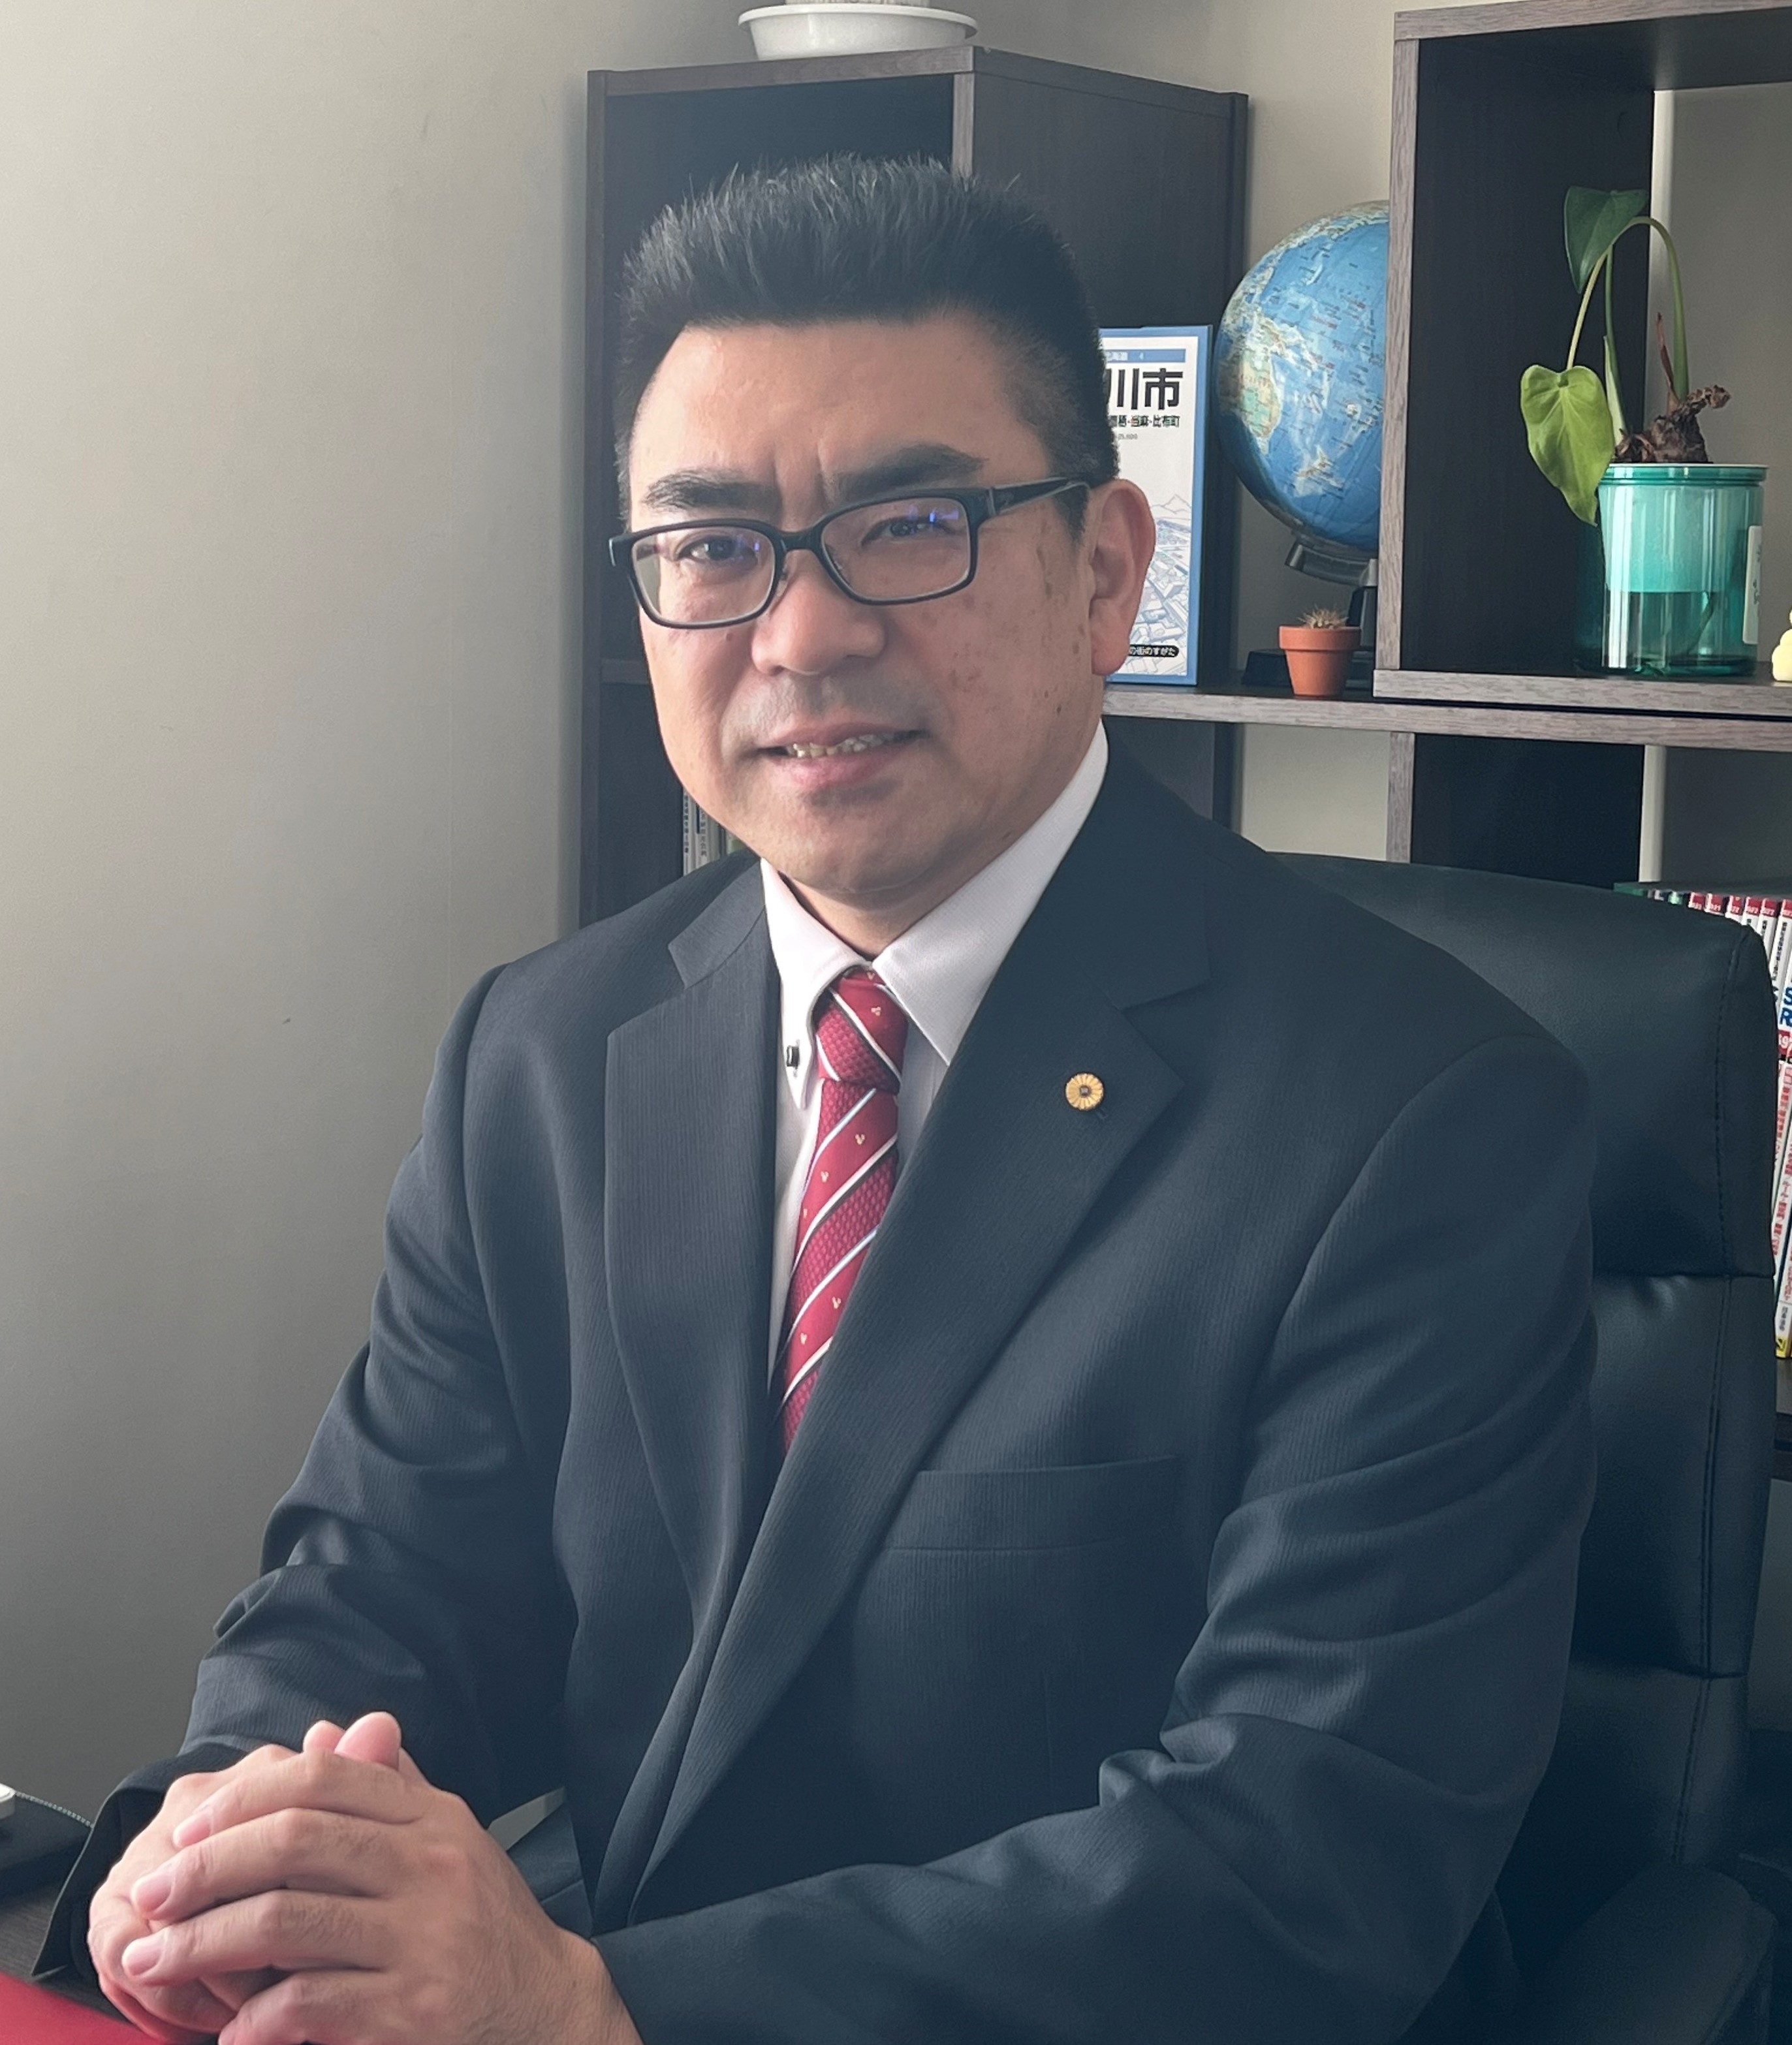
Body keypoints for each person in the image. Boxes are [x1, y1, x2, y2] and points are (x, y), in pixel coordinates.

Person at [48, 158, 1596, 2045]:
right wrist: (234, 1837)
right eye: (712, 547)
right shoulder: (544, 1051)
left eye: (911, 524)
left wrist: (599, 2003)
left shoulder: (1422, 1119)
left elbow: (1304, 1863)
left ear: (1106, 572)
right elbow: (389, 1577)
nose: (800, 636)